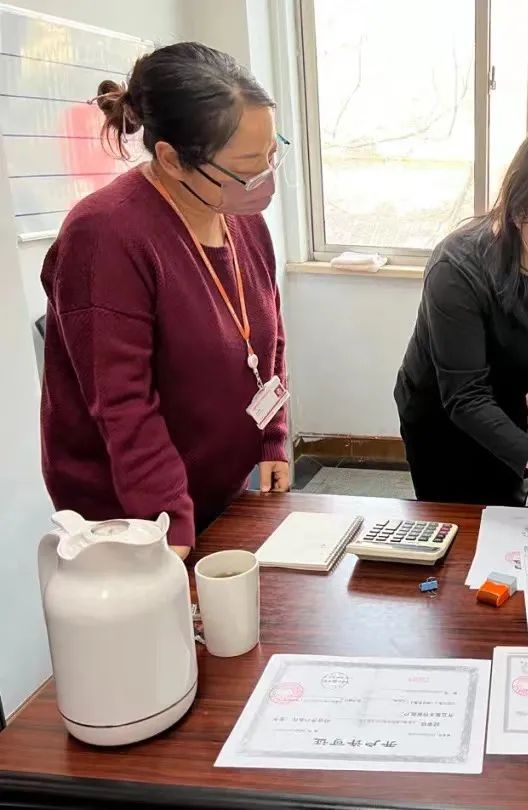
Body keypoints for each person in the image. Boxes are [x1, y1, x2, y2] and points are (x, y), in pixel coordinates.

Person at [40, 43, 290, 560]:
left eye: (272, 155)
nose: (265, 179)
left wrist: (272, 437)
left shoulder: (240, 216)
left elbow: (267, 337)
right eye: (247, 168)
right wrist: (169, 526)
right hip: (131, 518)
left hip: (219, 492)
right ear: (174, 159)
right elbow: (123, 405)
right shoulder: (106, 235)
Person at [395, 122, 528, 527]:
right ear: (518, 210)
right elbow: (465, 397)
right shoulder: (457, 269)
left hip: (507, 408)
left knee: (506, 517)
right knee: (454, 525)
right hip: (443, 417)